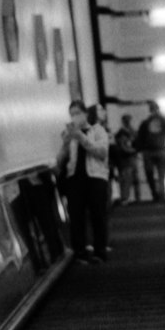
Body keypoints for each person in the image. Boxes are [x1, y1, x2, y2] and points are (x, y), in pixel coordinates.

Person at [57, 99, 111, 261]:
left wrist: (80, 137)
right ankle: (79, 252)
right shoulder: (70, 136)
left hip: (96, 178)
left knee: (98, 215)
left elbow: (101, 153)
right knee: (76, 217)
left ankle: (99, 251)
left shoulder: (98, 130)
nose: (75, 117)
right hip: (75, 179)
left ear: (86, 114)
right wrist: (66, 143)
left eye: (78, 113)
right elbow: (60, 160)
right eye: (72, 114)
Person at [134, 100, 165, 202]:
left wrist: (160, 117)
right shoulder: (146, 123)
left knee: (159, 176)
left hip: (157, 151)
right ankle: (156, 195)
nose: (154, 111)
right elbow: (140, 137)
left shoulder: (160, 122)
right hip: (152, 152)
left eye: (155, 109)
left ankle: (160, 195)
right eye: (153, 109)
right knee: (151, 174)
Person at [112, 114, 139, 204]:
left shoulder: (132, 132)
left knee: (132, 178)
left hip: (130, 158)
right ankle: (125, 198)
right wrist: (133, 150)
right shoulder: (122, 133)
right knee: (126, 179)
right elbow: (123, 147)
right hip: (125, 159)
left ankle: (134, 198)